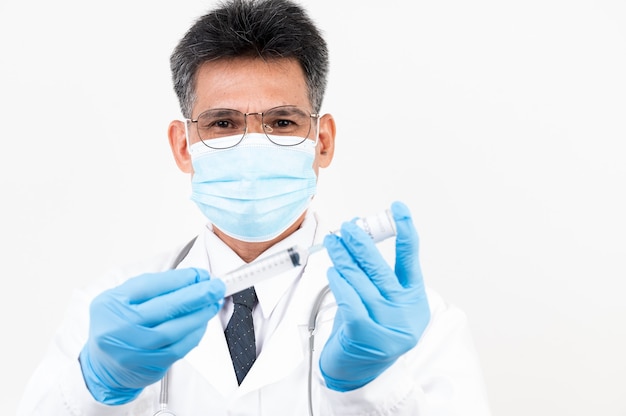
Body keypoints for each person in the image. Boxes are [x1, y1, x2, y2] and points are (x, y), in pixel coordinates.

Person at [17, 0, 491, 414]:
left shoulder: (409, 323)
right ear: (183, 146)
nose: (253, 146)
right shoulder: (113, 314)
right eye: (222, 123)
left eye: (281, 121)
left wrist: (370, 387)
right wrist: (95, 387)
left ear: (322, 141)